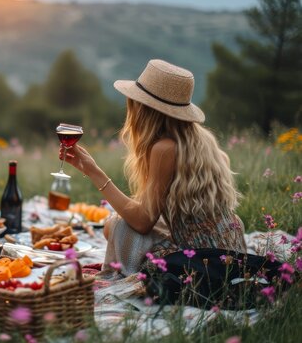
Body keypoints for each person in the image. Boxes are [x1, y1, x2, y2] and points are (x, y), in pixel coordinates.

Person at [61, 59, 247, 276]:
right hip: (233, 250)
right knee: (119, 223)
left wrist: (93, 171)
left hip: (201, 263)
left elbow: (143, 222)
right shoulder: (207, 145)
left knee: (117, 226)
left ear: (143, 108)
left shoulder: (164, 149)